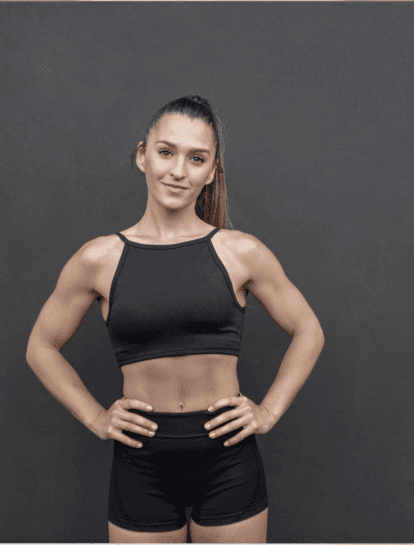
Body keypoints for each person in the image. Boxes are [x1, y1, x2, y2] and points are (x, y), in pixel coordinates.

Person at [25, 95, 325, 544]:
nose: (178, 170)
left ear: (211, 171)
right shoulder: (99, 259)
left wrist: (268, 411)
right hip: (141, 462)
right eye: (166, 152)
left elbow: (308, 330)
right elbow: (40, 347)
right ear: (143, 155)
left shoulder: (239, 252)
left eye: (196, 158)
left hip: (228, 460)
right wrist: (95, 417)